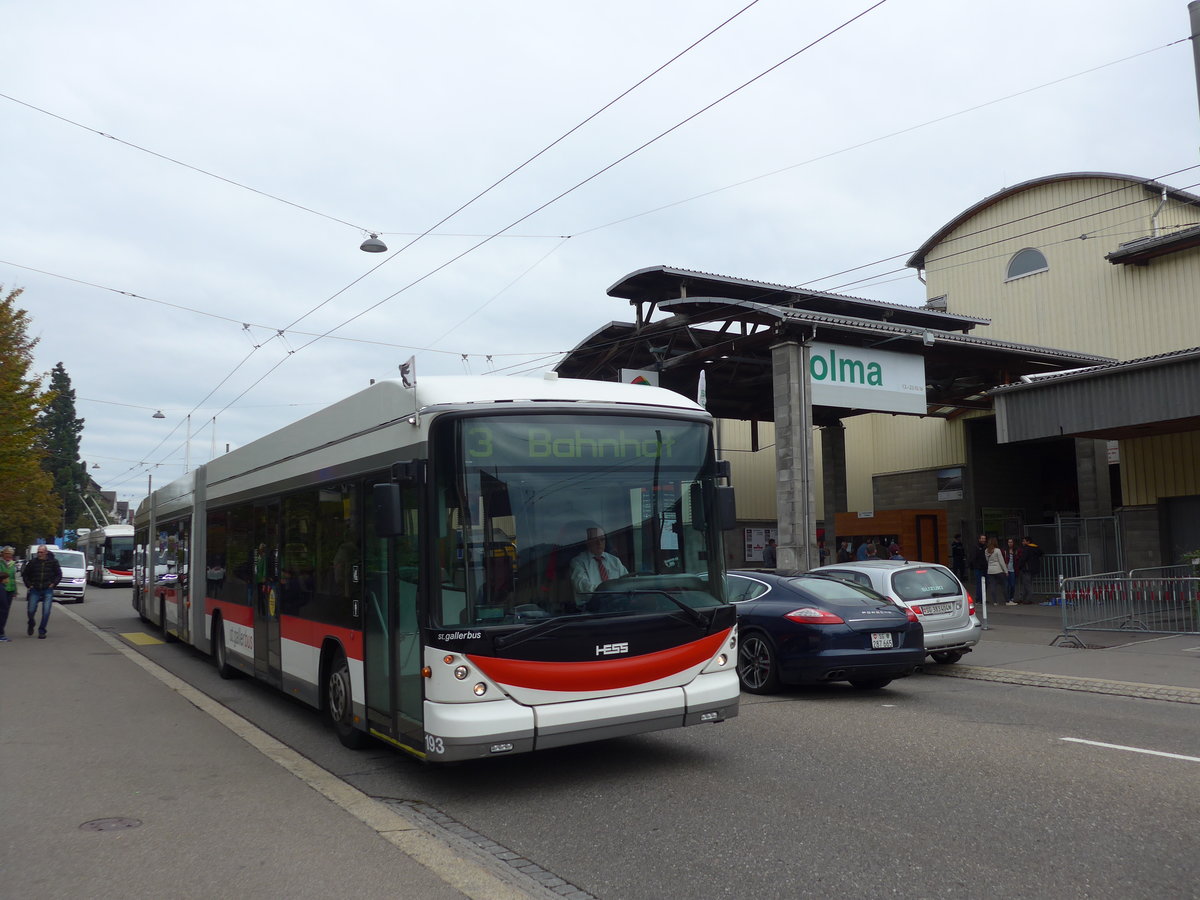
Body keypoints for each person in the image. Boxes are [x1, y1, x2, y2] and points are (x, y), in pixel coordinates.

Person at [568, 525, 628, 604]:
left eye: (602, 539)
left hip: (617, 605)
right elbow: (583, 587)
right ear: (587, 542)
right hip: (591, 610)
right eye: (594, 540)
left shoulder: (615, 561)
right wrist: (609, 593)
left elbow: (627, 581)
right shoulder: (578, 562)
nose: (599, 543)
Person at [23, 544, 62, 639]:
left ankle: (42, 630)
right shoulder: (33, 562)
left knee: (46, 611)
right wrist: (29, 585)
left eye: (41, 552)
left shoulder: (53, 562)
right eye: (38, 552)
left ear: (46, 552)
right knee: (31, 610)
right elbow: (25, 575)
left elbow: (59, 574)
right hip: (35, 589)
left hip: (47, 589)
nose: (39, 554)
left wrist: (53, 584)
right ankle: (31, 622)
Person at [1015, 536, 1043, 604]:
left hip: (1026, 568)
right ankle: (1022, 598)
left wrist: (1019, 566)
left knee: (1027, 584)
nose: (1022, 542)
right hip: (1034, 569)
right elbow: (1041, 553)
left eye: (1024, 541)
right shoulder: (1036, 547)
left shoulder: (1026, 549)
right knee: (1026, 584)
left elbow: (1023, 559)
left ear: (1028, 542)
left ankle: (1028, 599)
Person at [984, 537, 1009, 608]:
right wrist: (1006, 571)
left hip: (990, 570)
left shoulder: (986, 550)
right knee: (1004, 585)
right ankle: (1007, 600)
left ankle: (995, 601)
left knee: (993, 586)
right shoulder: (997, 550)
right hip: (998, 570)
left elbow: (987, 560)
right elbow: (1001, 561)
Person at [0, 546, 17, 641]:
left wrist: (15, 590)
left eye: (10, 554)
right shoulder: (0, 562)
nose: (8, 556)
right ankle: (1, 633)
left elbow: (13, 578)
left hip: (10, 589)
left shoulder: (13, 564)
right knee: (2, 611)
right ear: (3, 554)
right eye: (6, 553)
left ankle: (2, 631)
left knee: (5, 611)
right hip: (1, 588)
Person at [968, 534, 988, 603]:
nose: (983, 540)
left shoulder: (985, 547)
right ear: (979, 539)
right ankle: (979, 599)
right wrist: (974, 566)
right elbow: (973, 558)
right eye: (982, 538)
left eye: (984, 538)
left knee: (985, 584)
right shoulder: (976, 547)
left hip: (984, 568)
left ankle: (983, 598)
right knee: (979, 584)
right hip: (978, 568)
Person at [1004, 537, 1018, 602]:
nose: (1010, 543)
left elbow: (1017, 559)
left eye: (1011, 542)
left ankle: (1011, 597)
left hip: (1013, 570)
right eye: (1009, 542)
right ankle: (1008, 598)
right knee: (1007, 585)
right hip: (1007, 569)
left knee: (1012, 585)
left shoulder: (1015, 550)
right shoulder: (1005, 550)